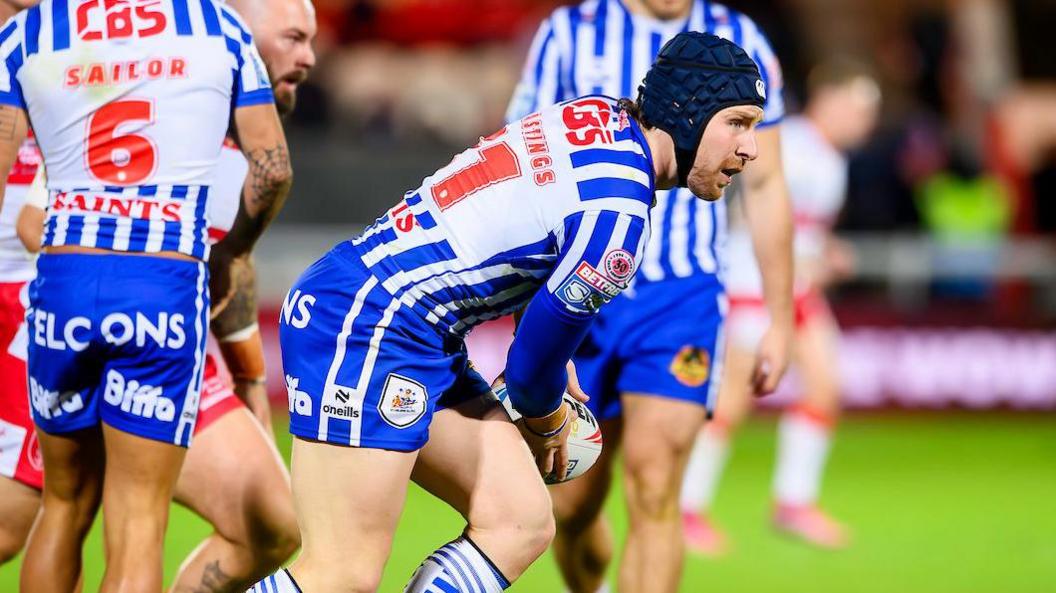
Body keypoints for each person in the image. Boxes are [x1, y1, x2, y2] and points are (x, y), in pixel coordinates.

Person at [249, 31, 765, 593]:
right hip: (370, 323)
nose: (751, 148)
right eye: (737, 123)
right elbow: (529, 373)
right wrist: (549, 420)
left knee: (519, 520)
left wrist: (546, 375)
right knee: (341, 576)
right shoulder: (618, 215)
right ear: (688, 113)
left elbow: (531, 242)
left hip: (408, 327)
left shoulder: (595, 116)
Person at [3, 1, 316, 589]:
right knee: (133, 522)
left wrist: (250, 380)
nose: (309, 58)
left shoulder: (44, 37)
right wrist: (230, 250)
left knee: (63, 506)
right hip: (159, 293)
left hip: (64, 289)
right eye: (295, 37)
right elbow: (273, 174)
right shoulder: (215, 39)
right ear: (252, 32)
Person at [506, 1, 794, 591]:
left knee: (657, 485)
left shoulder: (741, 37)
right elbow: (524, 158)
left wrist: (781, 317)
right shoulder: (570, 31)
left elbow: (767, 184)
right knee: (570, 504)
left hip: (680, 294)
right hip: (581, 287)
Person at [681, 60, 881, 551]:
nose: (864, 123)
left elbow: (804, 226)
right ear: (827, 99)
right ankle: (686, 508)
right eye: (857, 110)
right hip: (755, 283)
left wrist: (823, 253)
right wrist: (805, 258)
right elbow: (750, 211)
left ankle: (793, 503)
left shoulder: (830, 157)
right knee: (732, 397)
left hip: (798, 288)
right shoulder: (787, 142)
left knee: (825, 385)